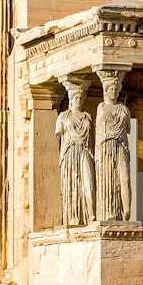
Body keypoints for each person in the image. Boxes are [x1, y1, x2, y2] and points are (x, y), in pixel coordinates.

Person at [55, 81, 95, 226]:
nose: (78, 100)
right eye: (75, 98)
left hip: (85, 151)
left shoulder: (87, 117)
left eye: (80, 98)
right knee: (72, 184)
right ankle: (73, 217)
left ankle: (91, 215)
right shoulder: (63, 117)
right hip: (70, 152)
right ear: (70, 99)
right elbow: (59, 133)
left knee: (88, 184)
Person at [95, 75, 131, 221]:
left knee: (124, 177)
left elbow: (128, 128)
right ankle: (109, 213)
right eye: (111, 89)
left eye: (116, 89)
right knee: (108, 179)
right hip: (106, 146)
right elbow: (98, 130)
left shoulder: (124, 110)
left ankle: (126, 210)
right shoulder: (101, 108)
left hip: (121, 145)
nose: (114, 92)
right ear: (105, 89)